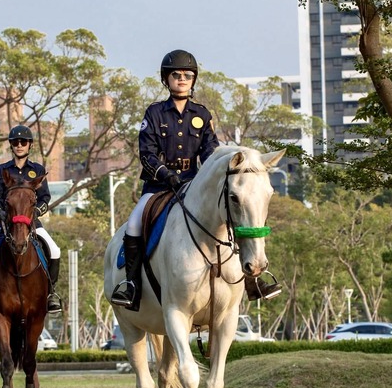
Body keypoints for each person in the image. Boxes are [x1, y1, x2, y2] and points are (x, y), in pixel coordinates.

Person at [110, 49, 281, 311]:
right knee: (133, 225)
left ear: (193, 80)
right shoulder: (154, 113)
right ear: (166, 79)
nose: (181, 79)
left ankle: (252, 281)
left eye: (187, 75)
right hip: (159, 187)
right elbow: (146, 153)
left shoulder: (202, 114)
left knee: (233, 216)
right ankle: (131, 285)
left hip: (193, 186)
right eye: (175, 75)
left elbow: (210, 152)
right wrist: (167, 175)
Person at [0, 125, 63, 315]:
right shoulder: (2, 170)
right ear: (11, 146)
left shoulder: (37, 170)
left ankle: (51, 295)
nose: (19, 145)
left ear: (29, 145)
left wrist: (38, 211)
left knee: (55, 250)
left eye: (23, 142)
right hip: (3, 223)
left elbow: (45, 198)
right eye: (15, 142)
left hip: (30, 223)